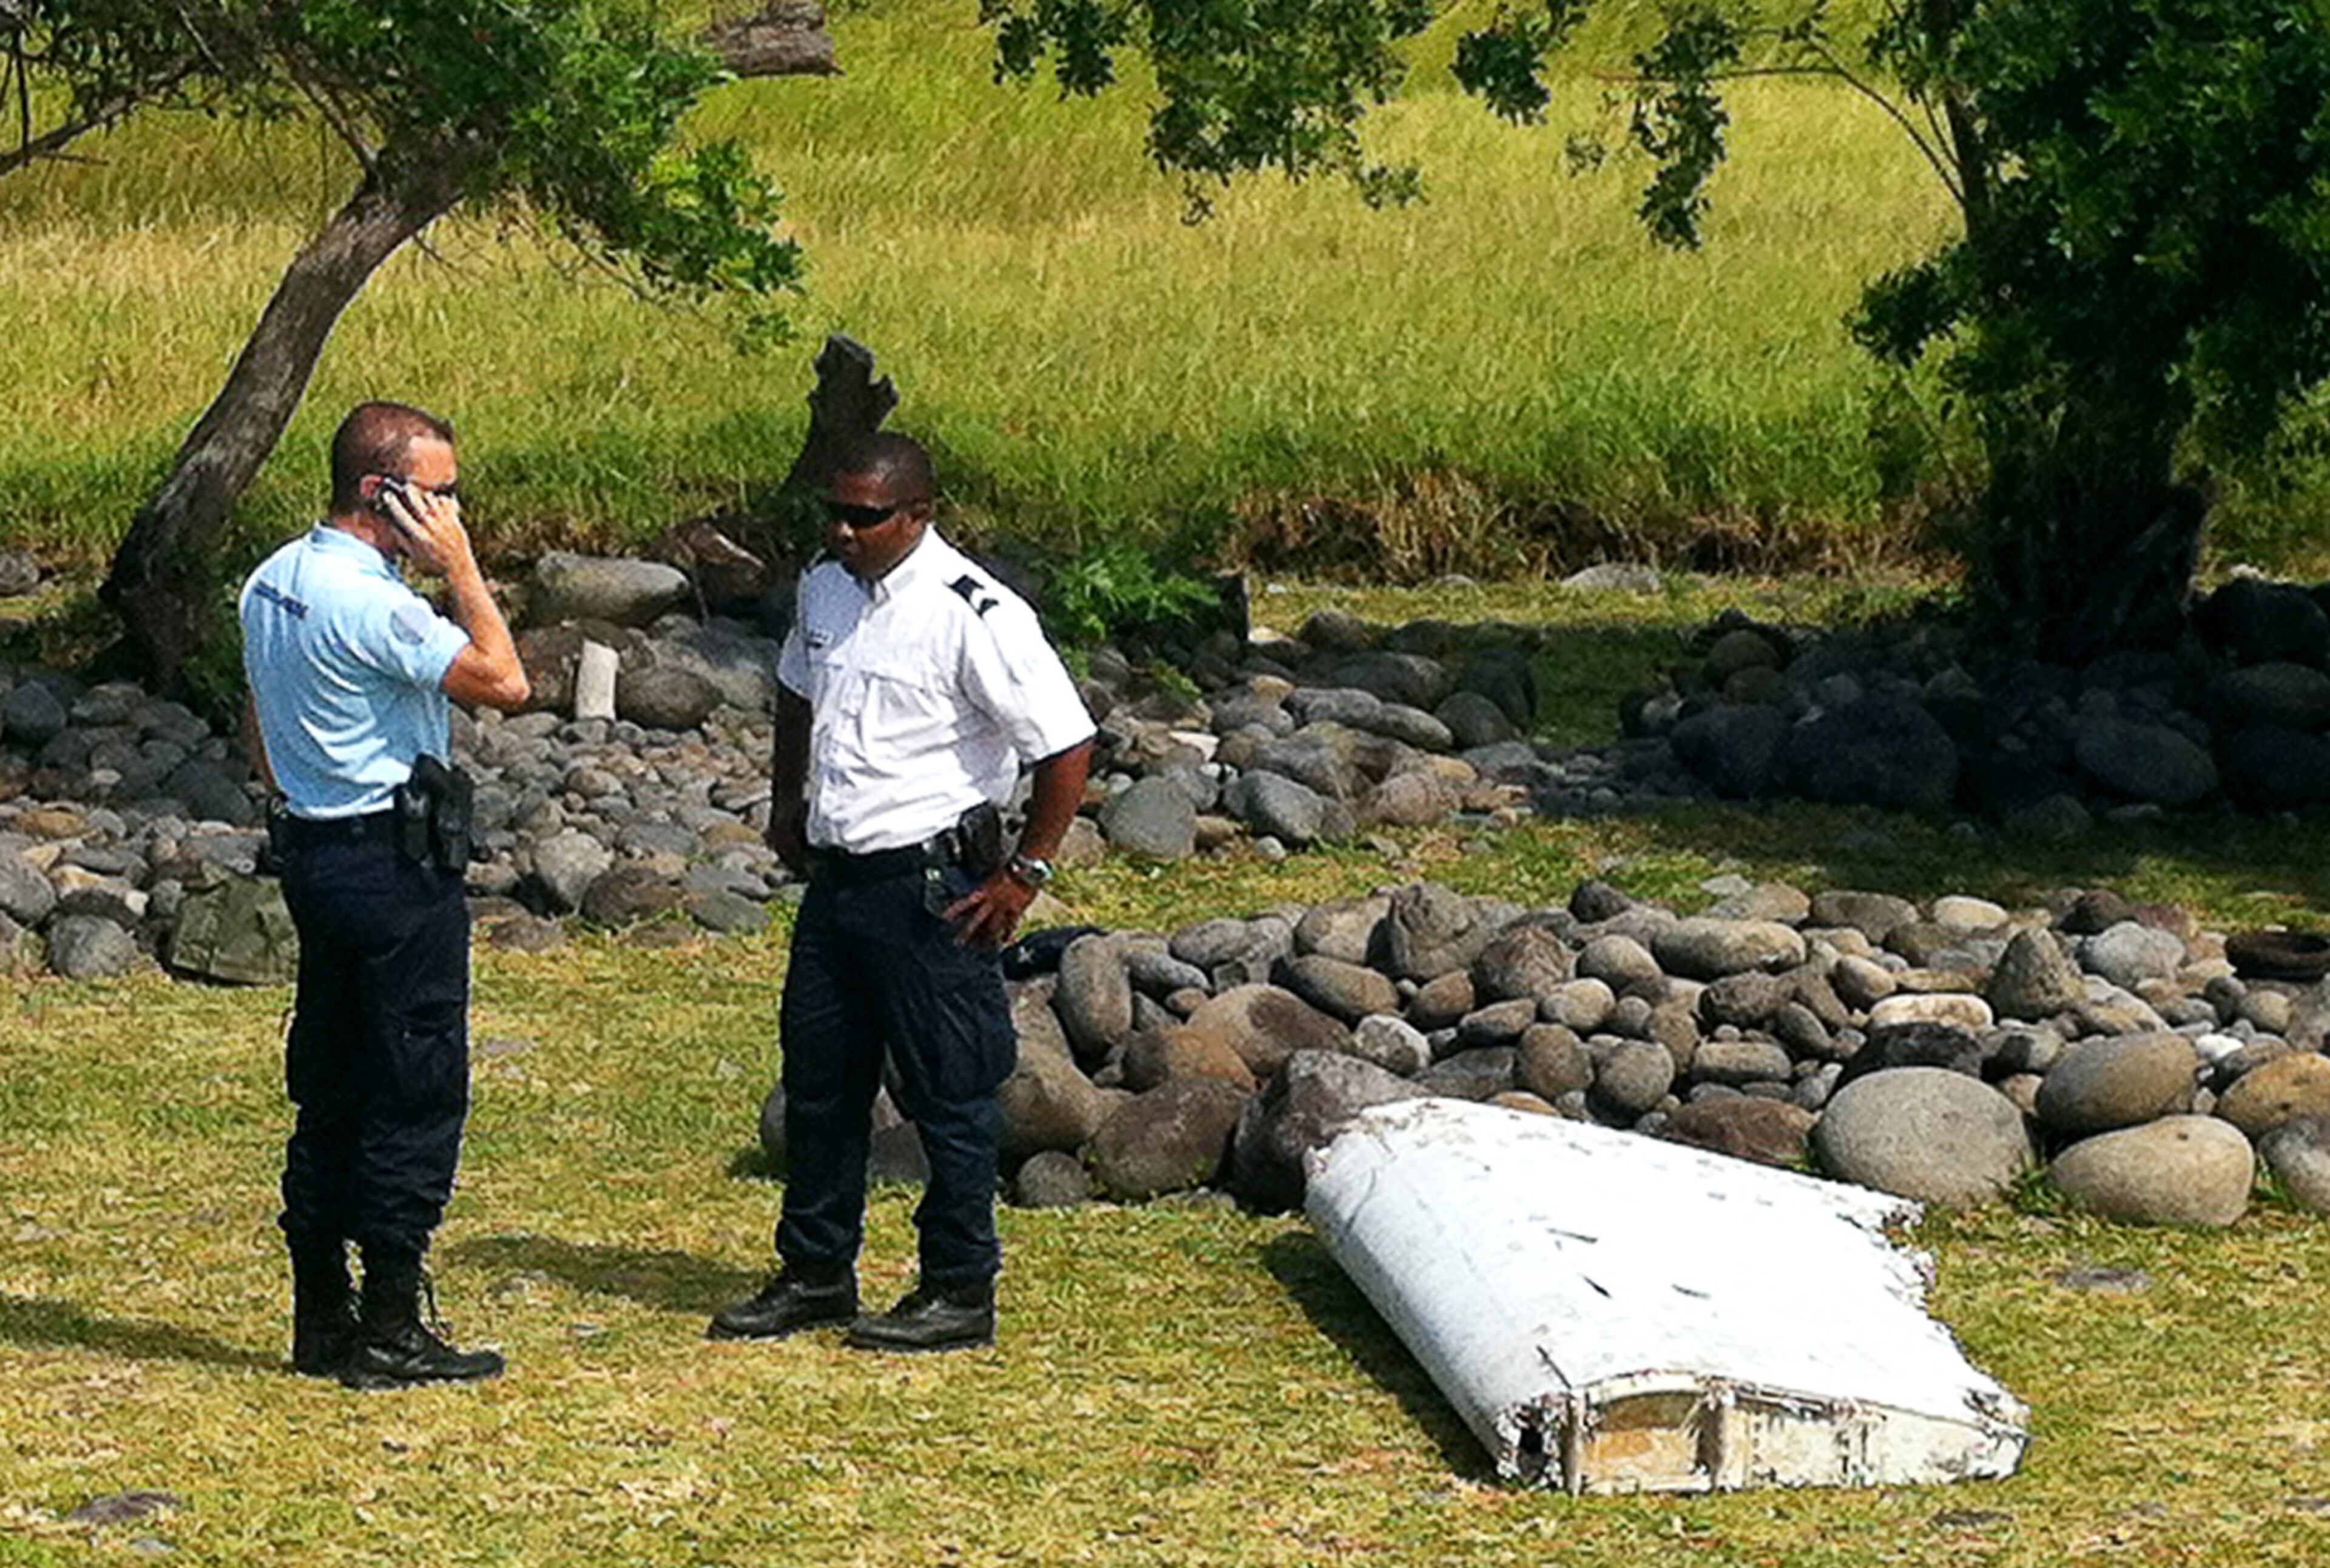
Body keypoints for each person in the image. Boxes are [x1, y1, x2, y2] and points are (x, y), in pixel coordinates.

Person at [710, 431, 1095, 1354]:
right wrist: (788, 798)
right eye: (832, 513)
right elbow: (799, 690)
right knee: (821, 1085)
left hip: (932, 885)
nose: (843, 531)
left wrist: (1025, 873)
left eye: (865, 517)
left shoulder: (976, 612)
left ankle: (958, 1285)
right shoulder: (825, 586)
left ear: (919, 515)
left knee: (950, 1094)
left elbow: (1065, 745)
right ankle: (816, 1271)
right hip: (840, 884)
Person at [239, 400, 530, 1388]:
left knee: (330, 1076)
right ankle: (393, 1323)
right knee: (414, 1083)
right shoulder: (377, 603)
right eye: (439, 496)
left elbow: (260, 716)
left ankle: (321, 1311)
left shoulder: (274, 580)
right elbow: (504, 680)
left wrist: (296, 788)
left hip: (317, 853)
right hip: (393, 866)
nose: (453, 513)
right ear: (384, 495)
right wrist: (460, 570)